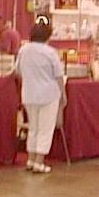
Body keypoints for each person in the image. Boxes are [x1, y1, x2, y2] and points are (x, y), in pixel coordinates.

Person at [14, 20, 66, 174]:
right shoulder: (50, 52)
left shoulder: (23, 50)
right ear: (47, 36)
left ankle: (30, 160)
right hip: (48, 95)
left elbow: (17, 71)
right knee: (45, 129)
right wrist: (63, 93)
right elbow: (59, 75)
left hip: (29, 94)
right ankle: (39, 162)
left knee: (33, 128)